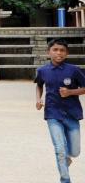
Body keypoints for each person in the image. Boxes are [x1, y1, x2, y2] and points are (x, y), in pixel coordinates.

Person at [36, 38, 85, 183]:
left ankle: (66, 158)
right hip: (53, 114)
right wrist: (38, 99)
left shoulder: (74, 70)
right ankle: (65, 179)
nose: (59, 53)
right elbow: (39, 85)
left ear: (67, 53)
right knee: (60, 149)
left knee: (75, 152)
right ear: (48, 52)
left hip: (72, 114)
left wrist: (70, 92)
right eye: (55, 50)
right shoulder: (42, 71)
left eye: (62, 50)